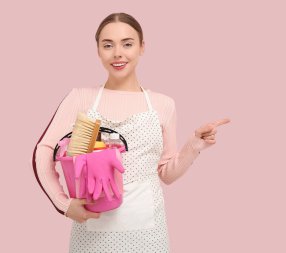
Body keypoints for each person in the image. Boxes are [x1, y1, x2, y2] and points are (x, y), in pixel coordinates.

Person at [32, 12, 230, 252]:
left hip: (148, 235)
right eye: (108, 45)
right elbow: (43, 151)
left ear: (142, 47)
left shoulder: (162, 104)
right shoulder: (81, 98)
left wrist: (194, 145)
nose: (118, 53)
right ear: (98, 50)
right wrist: (63, 204)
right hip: (92, 236)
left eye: (127, 44)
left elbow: (166, 174)